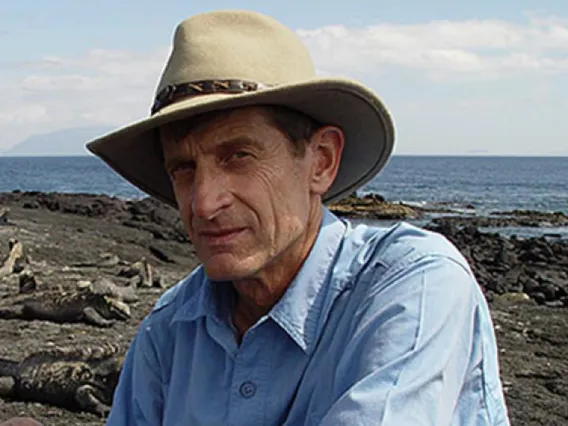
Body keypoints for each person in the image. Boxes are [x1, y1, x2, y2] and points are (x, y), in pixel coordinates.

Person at [4, 9, 511, 426]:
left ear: (321, 161)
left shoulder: (412, 285)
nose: (203, 203)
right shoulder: (170, 332)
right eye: (183, 169)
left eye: (238, 156)